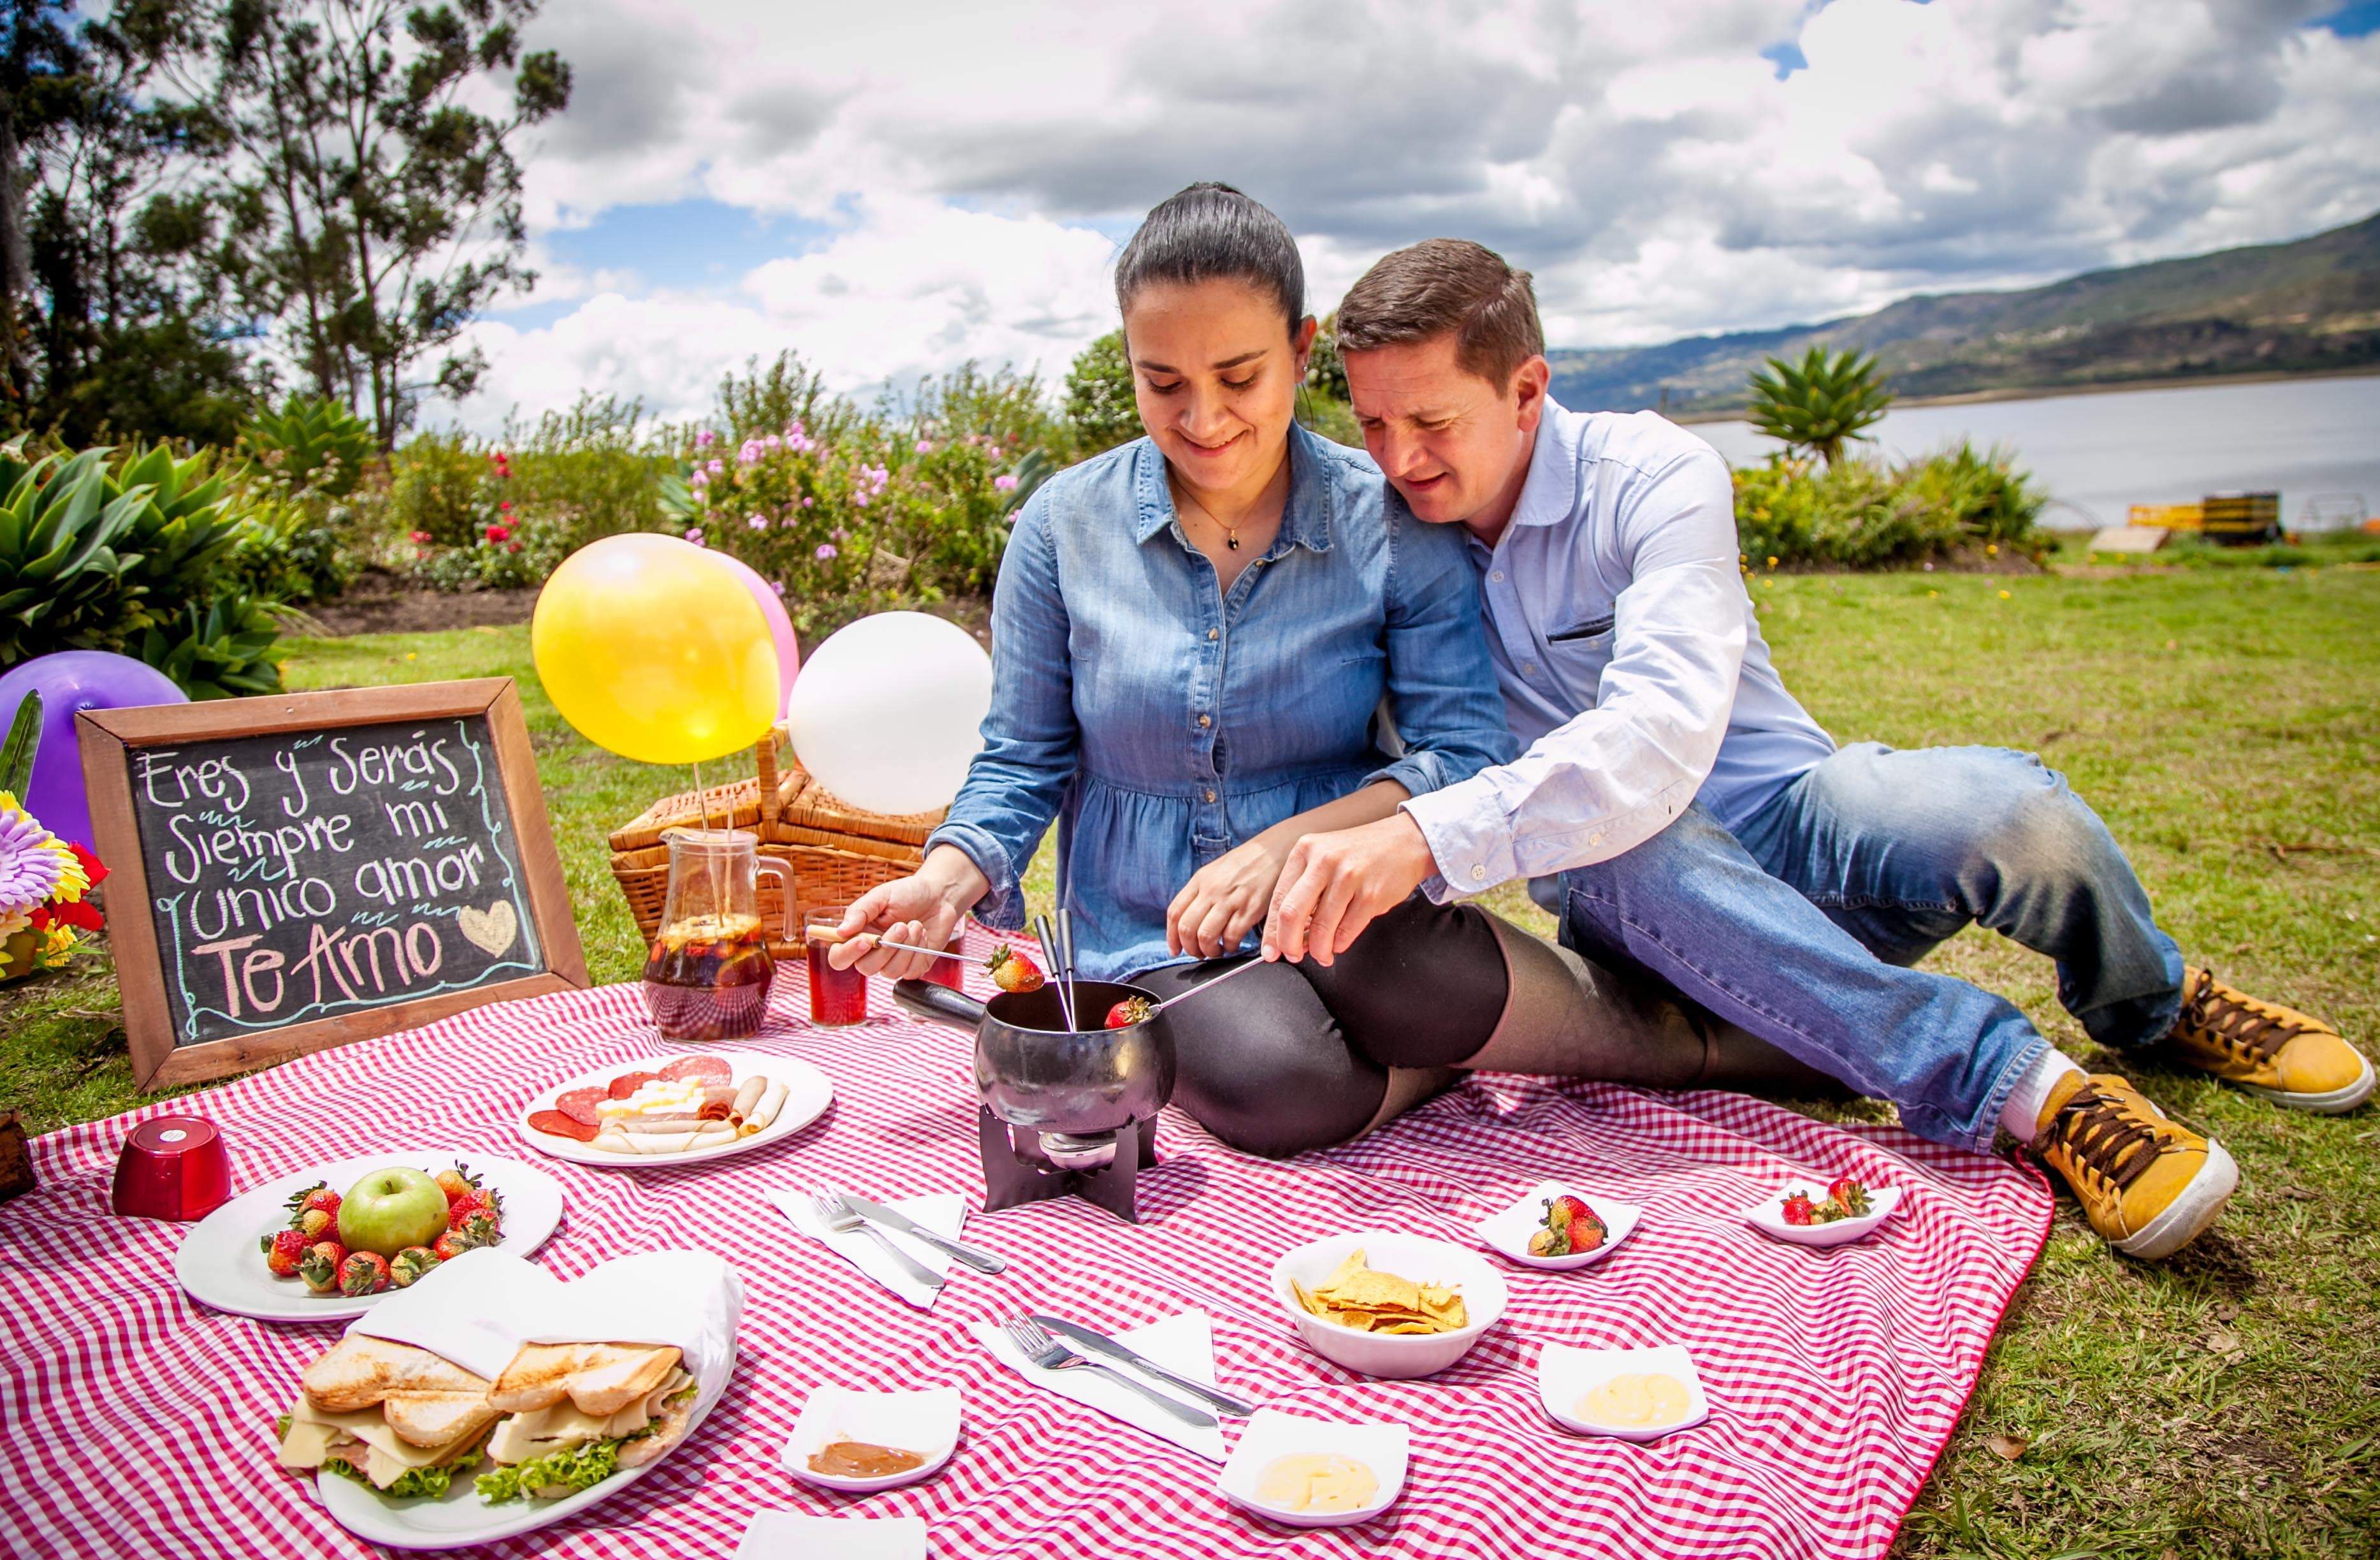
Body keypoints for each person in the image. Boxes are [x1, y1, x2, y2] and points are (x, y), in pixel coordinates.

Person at [1259, 237, 2372, 1260]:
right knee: (1608, 844)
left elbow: (1656, 735)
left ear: (1526, 389)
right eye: (1371, 426)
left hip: (1797, 823)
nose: (1400, 459)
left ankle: (2154, 1002)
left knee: (2003, 806)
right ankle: (2028, 1090)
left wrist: (1423, 839)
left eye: (1433, 423)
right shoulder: (1388, 544)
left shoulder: (1655, 476)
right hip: (1650, 913)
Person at [830, 185, 1820, 1156]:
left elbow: (1460, 748)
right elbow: (1023, 757)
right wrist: (945, 880)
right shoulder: (1060, 527)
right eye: (1162, 382)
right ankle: (1477, 1055)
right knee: (1279, 1086)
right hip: (1151, 938)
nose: (1203, 418)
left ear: (1302, 353)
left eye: (1238, 376)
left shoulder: (1387, 517)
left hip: (1349, 906)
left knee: (1397, 972)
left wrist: (1284, 848)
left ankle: (1710, 1047)